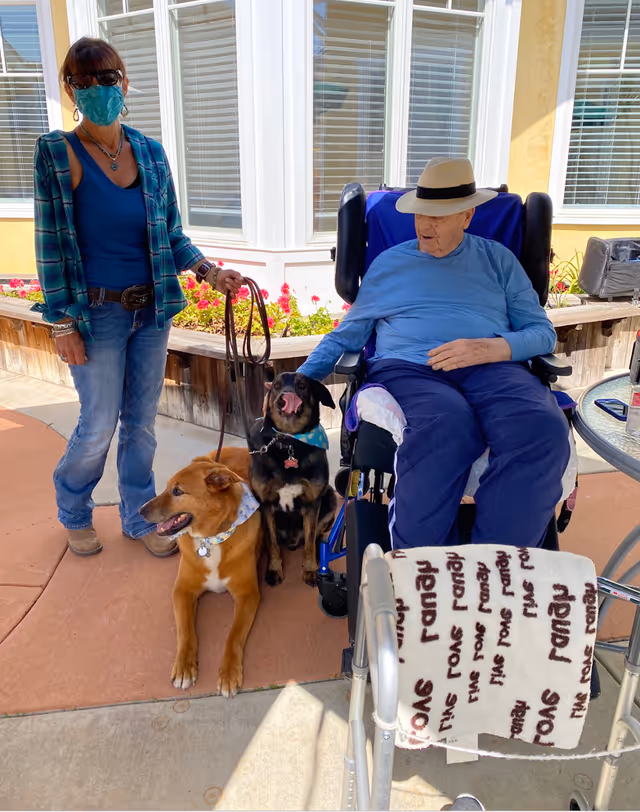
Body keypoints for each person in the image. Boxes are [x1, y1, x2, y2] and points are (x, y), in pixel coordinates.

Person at [32, 37, 243, 558]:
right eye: (85, 81)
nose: (99, 89)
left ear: (123, 82)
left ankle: (137, 515)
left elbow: (170, 233)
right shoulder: (58, 153)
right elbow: (51, 246)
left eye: (108, 78)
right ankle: (74, 510)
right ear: (70, 88)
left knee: (142, 425)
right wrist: (62, 324)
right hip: (96, 314)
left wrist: (208, 271)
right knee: (99, 422)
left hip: (151, 310)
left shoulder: (148, 152)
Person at [299, 157, 570, 550]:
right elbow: (349, 333)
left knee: (543, 429)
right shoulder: (389, 264)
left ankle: (495, 566)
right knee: (447, 425)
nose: (426, 225)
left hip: (491, 365)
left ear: (467, 215)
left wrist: (490, 348)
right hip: (411, 368)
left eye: (440, 217)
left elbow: (542, 334)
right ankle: (417, 569)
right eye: (421, 214)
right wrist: (302, 379)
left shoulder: (498, 260)